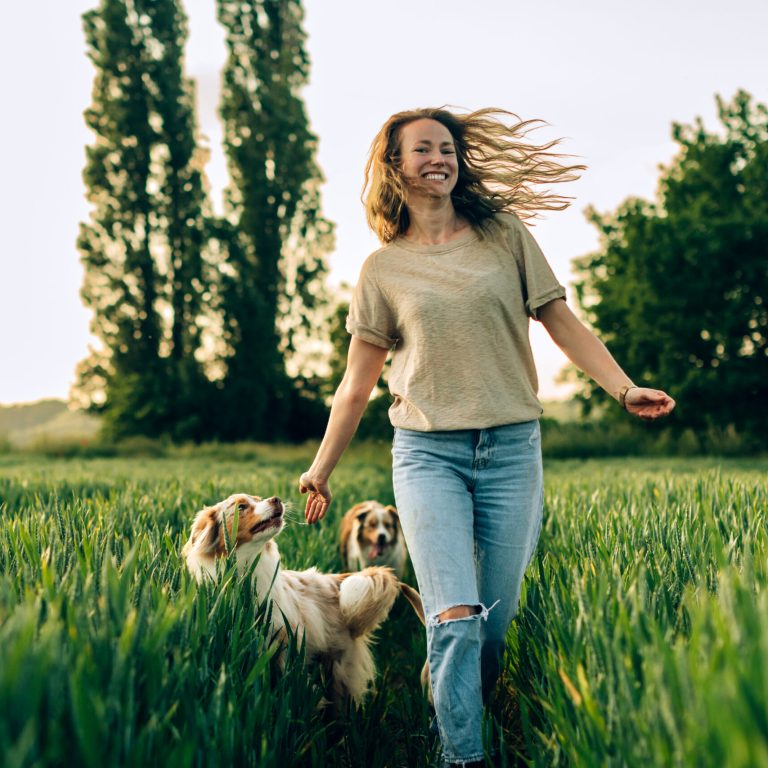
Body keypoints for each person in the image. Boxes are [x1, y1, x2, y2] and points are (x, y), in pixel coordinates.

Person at [298, 107, 675, 767]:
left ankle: (453, 692)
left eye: (447, 148)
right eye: (423, 149)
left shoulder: (505, 237)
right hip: (427, 454)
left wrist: (622, 387)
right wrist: (321, 471)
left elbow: (563, 322)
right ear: (395, 165)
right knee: (454, 617)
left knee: (489, 626)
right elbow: (355, 387)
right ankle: (460, 756)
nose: (439, 158)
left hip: (510, 450)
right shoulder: (382, 269)